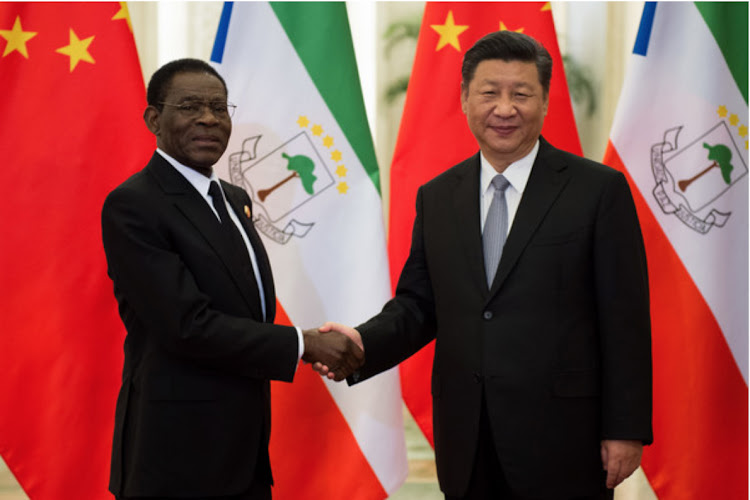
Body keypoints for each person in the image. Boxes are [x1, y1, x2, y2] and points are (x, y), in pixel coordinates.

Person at [321, 31, 652, 500]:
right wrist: (361, 343)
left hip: (564, 439)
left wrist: (626, 429)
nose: (504, 108)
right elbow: (419, 304)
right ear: (464, 98)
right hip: (468, 436)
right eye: (489, 92)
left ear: (544, 100)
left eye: (521, 94)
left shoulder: (597, 191)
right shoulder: (438, 196)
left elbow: (625, 320)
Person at [101, 58, 363, 500]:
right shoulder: (134, 204)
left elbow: (242, 308)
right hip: (176, 455)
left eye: (219, 108)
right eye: (190, 106)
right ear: (153, 119)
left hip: (244, 451)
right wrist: (303, 344)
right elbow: (187, 326)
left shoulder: (235, 199)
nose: (208, 118)